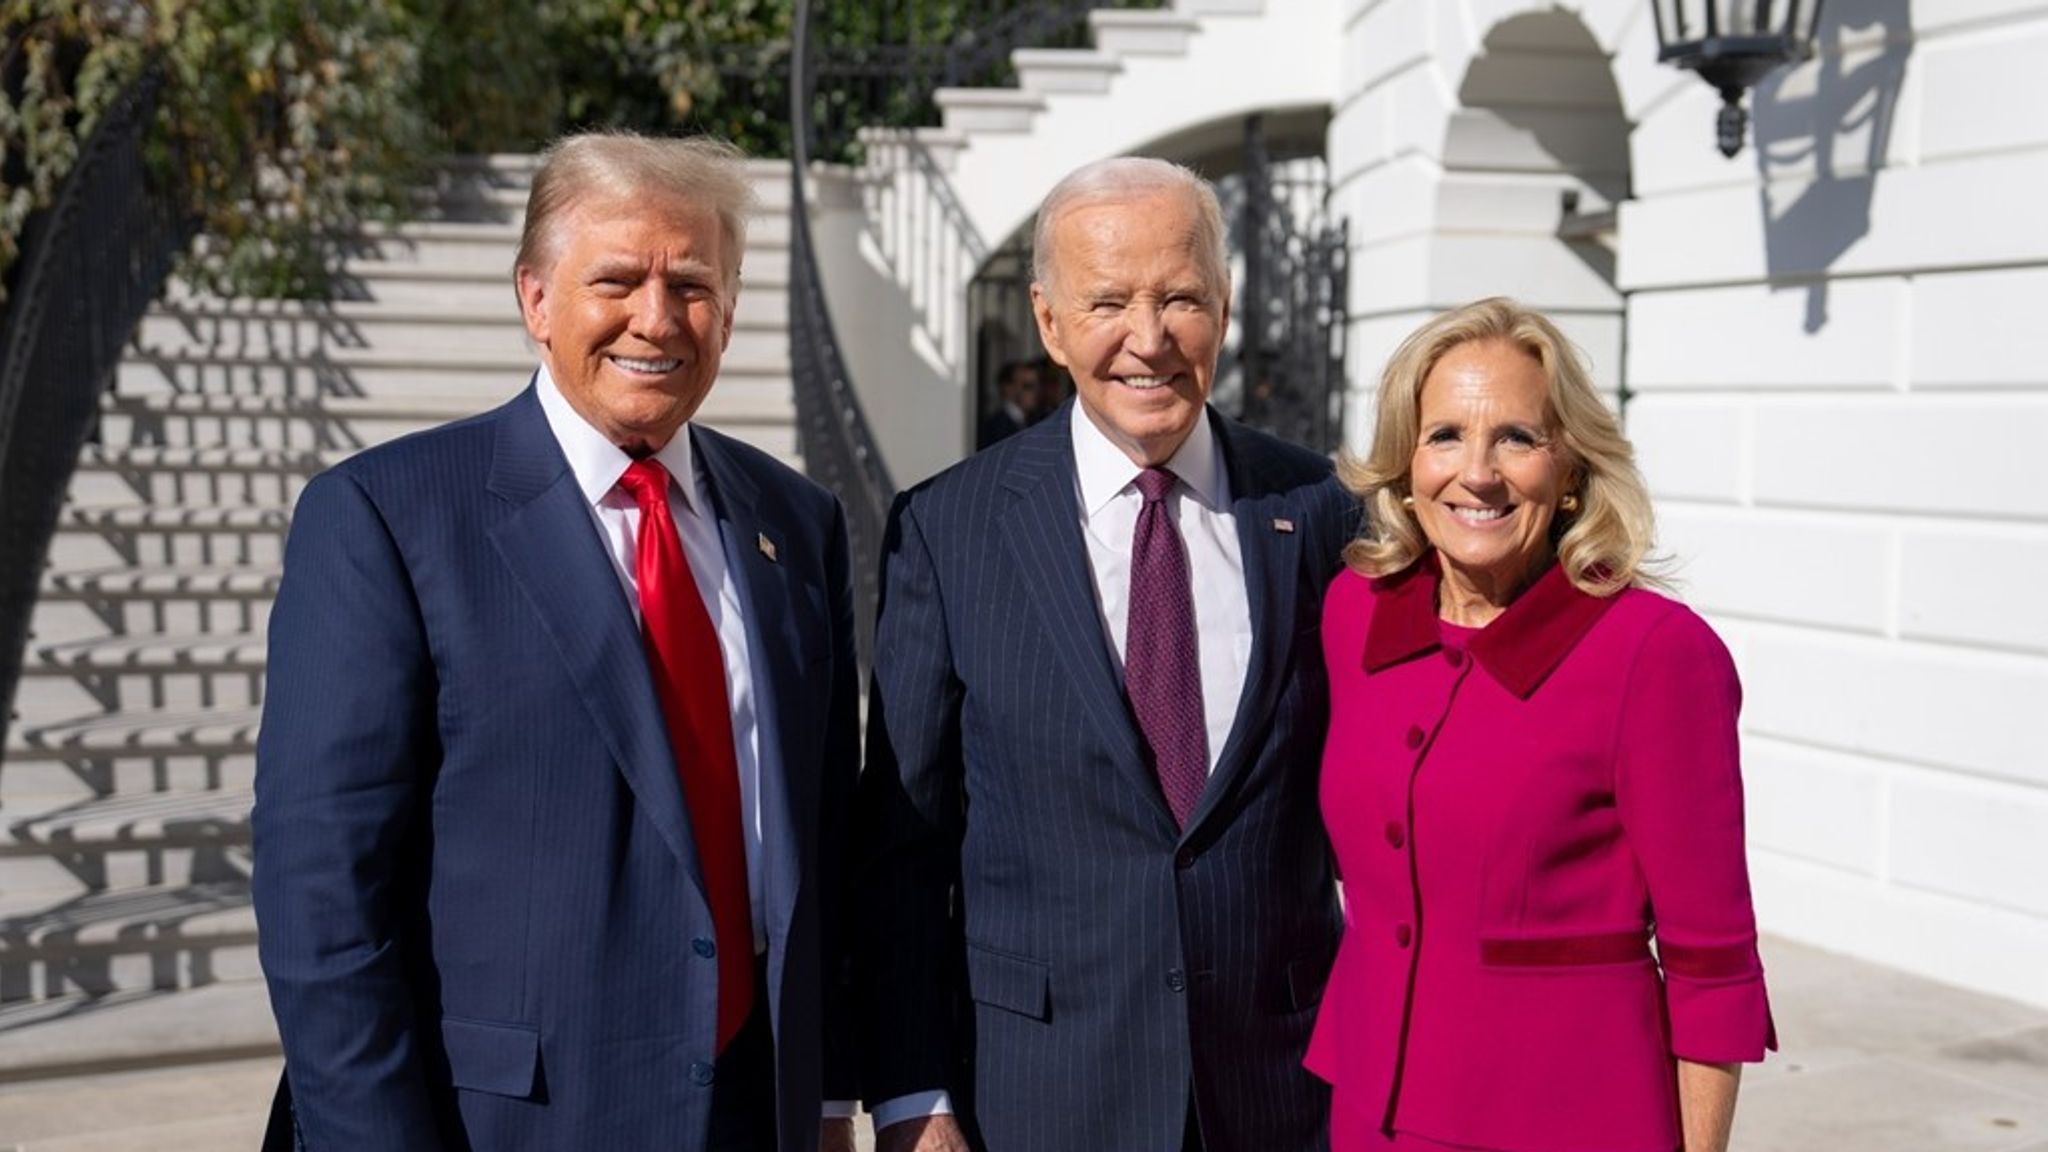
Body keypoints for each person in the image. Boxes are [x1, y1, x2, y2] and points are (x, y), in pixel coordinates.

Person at [252, 132, 860, 1152]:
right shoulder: (387, 518)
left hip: (755, 1113)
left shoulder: (794, 524)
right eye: (615, 280)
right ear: (535, 299)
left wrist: (836, 1094)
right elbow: (324, 901)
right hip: (500, 1124)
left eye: (694, 285)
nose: (656, 319)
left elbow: (823, 842)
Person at [856, 156, 1353, 1152]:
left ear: (1222, 302)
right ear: (1047, 322)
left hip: (1283, 1092)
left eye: (1179, 297)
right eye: (1108, 302)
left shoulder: (1321, 512)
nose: (1148, 338)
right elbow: (900, 852)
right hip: (1038, 1095)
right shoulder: (948, 531)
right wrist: (914, 1094)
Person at [1310, 297, 1775, 1152]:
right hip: (1369, 1108)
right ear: (1406, 464)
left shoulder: (1655, 654)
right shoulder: (1356, 615)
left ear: (1569, 472)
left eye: (1517, 438)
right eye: (1444, 434)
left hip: (1567, 1119)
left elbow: (1713, 967)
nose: (1477, 473)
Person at [975, 360, 1041, 448]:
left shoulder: (1034, 421)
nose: (1036, 392)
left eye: (1037, 386)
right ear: (1009, 389)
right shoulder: (995, 427)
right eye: (1028, 386)